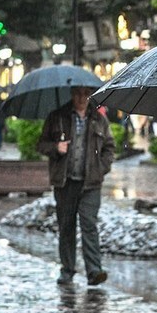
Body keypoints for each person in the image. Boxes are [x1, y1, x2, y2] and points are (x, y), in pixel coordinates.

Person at [36, 86, 115, 286]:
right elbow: (41, 144)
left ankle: (94, 270)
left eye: (85, 94)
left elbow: (109, 148)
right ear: (72, 94)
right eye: (78, 93)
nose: (81, 98)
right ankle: (67, 270)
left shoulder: (99, 119)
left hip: (91, 183)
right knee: (67, 226)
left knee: (89, 225)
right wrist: (56, 148)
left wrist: (101, 168)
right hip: (65, 182)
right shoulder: (58, 117)